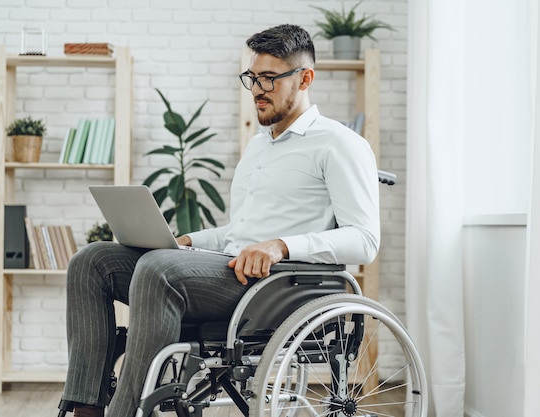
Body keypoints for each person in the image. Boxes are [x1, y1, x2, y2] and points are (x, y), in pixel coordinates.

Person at [60, 23, 380, 417]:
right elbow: (240, 232)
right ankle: (85, 409)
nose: (258, 89)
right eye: (253, 78)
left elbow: (365, 239)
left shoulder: (340, 144)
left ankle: (126, 413)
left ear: (305, 78)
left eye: (269, 78)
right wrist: (192, 242)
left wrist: (281, 246)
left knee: (159, 269)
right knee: (91, 261)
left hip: (275, 287)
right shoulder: (259, 146)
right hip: (231, 271)